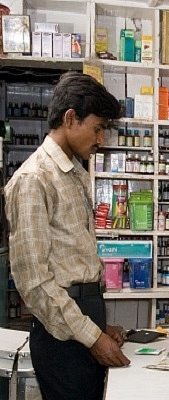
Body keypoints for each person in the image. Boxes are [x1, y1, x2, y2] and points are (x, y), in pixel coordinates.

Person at [4, 71, 130, 400]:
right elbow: (36, 283)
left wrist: (99, 327)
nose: (101, 138)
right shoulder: (34, 179)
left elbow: (73, 260)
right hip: (62, 341)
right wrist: (92, 336)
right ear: (71, 118)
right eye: (98, 127)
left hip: (81, 323)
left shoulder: (72, 173)